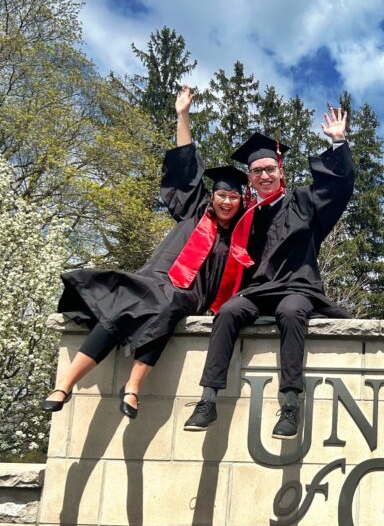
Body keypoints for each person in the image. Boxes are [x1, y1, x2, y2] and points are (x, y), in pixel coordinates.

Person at [40, 87, 249, 419]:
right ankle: (64, 384)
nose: (226, 201)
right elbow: (185, 168)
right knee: (122, 307)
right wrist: (183, 115)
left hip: (187, 293)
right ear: (213, 197)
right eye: (221, 194)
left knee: (167, 305)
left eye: (234, 197)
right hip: (156, 276)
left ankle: (133, 386)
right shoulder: (195, 211)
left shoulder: (239, 238)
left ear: (242, 202)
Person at [183, 105, 354, 438]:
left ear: (280, 170)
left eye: (269, 169)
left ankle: (289, 405)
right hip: (260, 291)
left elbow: (339, 188)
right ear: (249, 177)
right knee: (229, 311)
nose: (264, 175)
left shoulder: (304, 202)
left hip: (297, 288)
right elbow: (204, 220)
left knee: (291, 313)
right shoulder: (246, 215)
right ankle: (207, 400)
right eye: (257, 171)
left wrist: (337, 143)